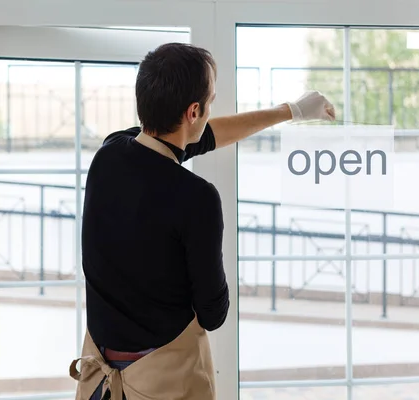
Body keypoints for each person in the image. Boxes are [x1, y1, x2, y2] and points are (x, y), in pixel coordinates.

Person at [69, 42, 335, 400]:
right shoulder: (196, 197)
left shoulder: (109, 154)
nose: (210, 110)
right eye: (210, 102)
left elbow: (197, 139)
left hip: (98, 384)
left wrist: (290, 111)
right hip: (163, 384)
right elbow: (212, 313)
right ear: (194, 110)